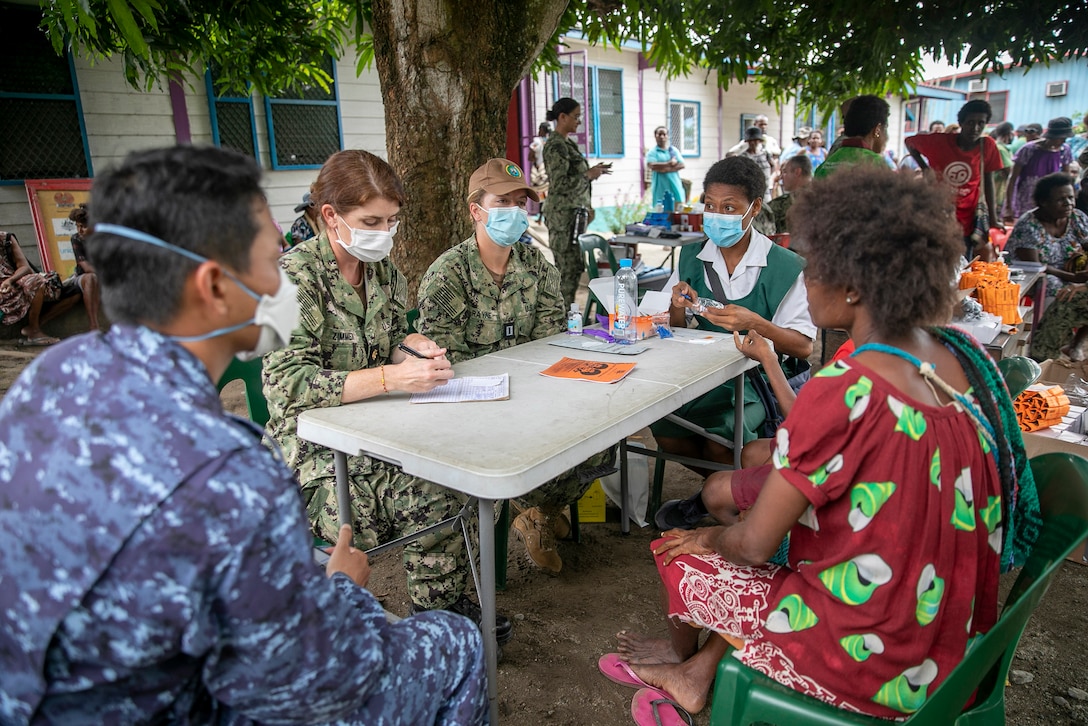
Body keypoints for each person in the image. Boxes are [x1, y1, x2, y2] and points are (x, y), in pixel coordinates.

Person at [0, 145, 489, 725]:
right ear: (214, 285)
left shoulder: (49, 379)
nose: (279, 280)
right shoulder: (230, 477)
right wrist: (342, 593)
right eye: (268, 258)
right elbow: (317, 682)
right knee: (458, 644)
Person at [604, 167, 1040, 722]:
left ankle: (695, 673)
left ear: (854, 287)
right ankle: (698, 671)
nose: (806, 282)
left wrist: (708, 536)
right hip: (954, 636)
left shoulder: (845, 388)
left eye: (816, 272)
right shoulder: (966, 359)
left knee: (681, 556)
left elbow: (756, 546)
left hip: (875, 658)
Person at [262, 149, 513, 643]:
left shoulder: (386, 274)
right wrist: (390, 379)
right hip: (317, 454)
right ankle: (437, 622)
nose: (384, 232)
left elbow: (393, 334)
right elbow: (287, 386)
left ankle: (445, 601)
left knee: (471, 467)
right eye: (370, 221)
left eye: (392, 221)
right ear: (330, 216)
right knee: (435, 488)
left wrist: (413, 347)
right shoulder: (291, 279)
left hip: (383, 427)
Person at [417, 158, 615, 574]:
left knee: (603, 432)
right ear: (476, 210)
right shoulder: (448, 275)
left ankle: (540, 511)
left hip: (535, 391)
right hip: (474, 404)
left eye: (519, 202)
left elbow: (551, 338)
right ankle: (539, 506)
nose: (513, 210)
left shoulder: (536, 266)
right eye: (501, 201)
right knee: (541, 450)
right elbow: (446, 364)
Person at [650, 156, 815, 529]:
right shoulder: (692, 255)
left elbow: (803, 346)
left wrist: (757, 323)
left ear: (755, 208)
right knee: (666, 430)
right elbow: (673, 327)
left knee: (722, 434)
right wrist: (676, 306)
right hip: (701, 372)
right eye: (710, 205)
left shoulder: (786, 266)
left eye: (729, 208)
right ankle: (721, 490)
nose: (716, 215)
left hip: (758, 380)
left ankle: (729, 496)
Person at [905, 99, 1005, 258]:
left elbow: (989, 181)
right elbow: (909, 142)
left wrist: (993, 218)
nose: (975, 128)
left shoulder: (987, 145)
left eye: (981, 123)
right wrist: (925, 169)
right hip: (939, 212)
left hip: (969, 216)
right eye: (971, 122)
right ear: (961, 122)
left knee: (964, 260)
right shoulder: (939, 141)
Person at [542, 97, 612, 308]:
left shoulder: (566, 143)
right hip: (563, 220)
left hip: (573, 218)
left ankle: (567, 319)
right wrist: (588, 175)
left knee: (572, 271)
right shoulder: (555, 145)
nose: (579, 121)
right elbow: (560, 183)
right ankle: (561, 323)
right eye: (576, 116)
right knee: (566, 274)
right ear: (562, 117)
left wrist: (590, 172)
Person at [1005, 173, 1088, 300]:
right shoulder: (1028, 225)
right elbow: (1036, 266)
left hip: (1068, 272)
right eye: (1061, 199)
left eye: (1071, 198)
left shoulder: (1077, 217)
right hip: (1032, 275)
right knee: (1052, 284)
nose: (1068, 203)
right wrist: (1074, 278)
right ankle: (1052, 318)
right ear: (1044, 202)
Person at [1005, 117, 1075, 220]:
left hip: (1051, 199)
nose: (1063, 140)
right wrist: (1009, 205)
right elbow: (1012, 179)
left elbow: (1066, 179)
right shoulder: (1028, 150)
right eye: (1060, 137)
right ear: (1052, 136)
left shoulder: (1064, 150)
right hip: (1026, 199)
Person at [0, 230, 61, 346]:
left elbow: (24, 267)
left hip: (12, 284)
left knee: (35, 280)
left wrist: (10, 281)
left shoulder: (5, 238)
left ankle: (34, 330)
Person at [813, 95, 891, 179]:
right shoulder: (878, 166)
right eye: (885, 128)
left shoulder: (824, 167)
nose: (887, 137)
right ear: (877, 130)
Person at [62, 203, 102, 331]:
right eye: (78, 226)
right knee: (91, 278)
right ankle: (94, 326)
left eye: (84, 227)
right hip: (83, 278)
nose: (80, 230)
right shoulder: (76, 239)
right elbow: (86, 267)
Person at [767, 154, 811, 234]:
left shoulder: (780, 205)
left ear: (797, 172)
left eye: (785, 172)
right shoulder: (827, 197)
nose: (781, 177)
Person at [645, 126, 685, 208]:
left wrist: (665, 169)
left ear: (668, 136)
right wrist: (668, 163)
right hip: (660, 187)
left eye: (664, 134)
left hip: (675, 185)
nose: (662, 137)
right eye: (659, 134)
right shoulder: (653, 152)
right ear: (655, 136)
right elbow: (652, 165)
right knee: (661, 210)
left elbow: (682, 164)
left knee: (679, 207)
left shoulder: (673, 150)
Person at [739, 126, 777, 202]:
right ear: (747, 141)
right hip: (752, 194)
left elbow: (773, 165)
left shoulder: (765, 154)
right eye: (751, 140)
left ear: (760, 141)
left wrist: (769, 177)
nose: (753, 143)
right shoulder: (743, 157)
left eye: (756, 140)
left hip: (766, 193)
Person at [989, 121, 1016, 215]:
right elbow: (1010, 172)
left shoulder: (999, 147)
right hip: (998, 192)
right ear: (1009, 133)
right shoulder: (1001, 149)